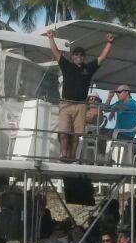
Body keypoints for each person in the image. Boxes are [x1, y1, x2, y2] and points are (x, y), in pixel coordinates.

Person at [46, 29, 115, 161]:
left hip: (81, 105)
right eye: (76, 54)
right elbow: (56, 53)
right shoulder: (67, 66)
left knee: (76, 135)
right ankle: (63, 155)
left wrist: (109, 43)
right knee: (64, 133)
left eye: (81, 55)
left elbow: (102, 58)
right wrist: (50, 38)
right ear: (72, 57)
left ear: (84, 57)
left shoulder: (88, 68)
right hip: (66, 104)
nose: (79, 56)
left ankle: (72, 157)